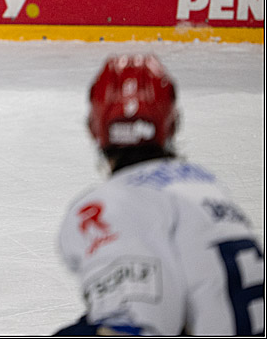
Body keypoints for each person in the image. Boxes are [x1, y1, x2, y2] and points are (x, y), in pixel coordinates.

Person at [55, 54, 265, 336]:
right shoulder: (205, 186)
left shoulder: (110, 204)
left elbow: (133, 329)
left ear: (94, 128)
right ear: (173, 124)